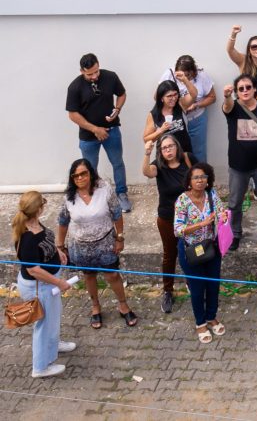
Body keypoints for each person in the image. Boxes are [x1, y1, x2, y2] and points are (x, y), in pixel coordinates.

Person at [57, 158, 137, 330]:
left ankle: (123, 305)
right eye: (75, 176)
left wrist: (120, 238)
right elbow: (63, 222)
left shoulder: (104, 189)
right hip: (81, 246)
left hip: (106, 242)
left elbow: (117, 214)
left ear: (90, 173)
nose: (80, 178)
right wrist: (60, 245)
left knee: (113, 275)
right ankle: (95, 307)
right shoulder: (69, 197)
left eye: (83, 173)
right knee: (89, 276)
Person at [13, 190, 76, 378]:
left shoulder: (34, 224)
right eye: (43, 204)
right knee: (42, 324)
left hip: (48, 285)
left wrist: (58, 251)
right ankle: (40, 367)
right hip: (40, 288)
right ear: (38, 209)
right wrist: (59, 282)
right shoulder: (27, 238)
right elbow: (34, 270)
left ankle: (54, 343)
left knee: (52, 317)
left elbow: (46, 240)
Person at [66, 53, 131, 212]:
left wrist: (117, 109)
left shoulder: (110, 76)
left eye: (96, 71)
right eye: (90, 74)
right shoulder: (74, 87)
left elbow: (122, 94)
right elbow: (72, 114)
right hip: (89, 136)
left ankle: (121, 193)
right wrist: (95, 129)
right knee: (89, 169)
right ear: (82, 71)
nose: (94, 76)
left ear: (98, 65)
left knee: (117, 163)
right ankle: (93, 197)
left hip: (112, 131)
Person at [173, 162, 229, 344]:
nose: (200, 180)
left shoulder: (211, 195)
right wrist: (202, 224)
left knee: (213, 284)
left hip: (211, 248)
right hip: (191, 250)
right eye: (196, 177)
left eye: (203, 177)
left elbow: (221, 211)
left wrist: (224, 216)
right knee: (197, 289)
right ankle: (200, 323)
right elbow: (178, 230)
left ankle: (211, 316)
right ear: (189, 181)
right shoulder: (182, 200)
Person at [222, 74, 257, 250]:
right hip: (238, 166)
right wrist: (226, 96)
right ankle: (235, 234)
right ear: (237, 92)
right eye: (241, 88)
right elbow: (227, 106)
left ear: (254, 89)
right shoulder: (234, 106)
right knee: (235, 202)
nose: (245, 91)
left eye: (248, 87)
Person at [141, 135, 192, 314]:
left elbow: (201, 179)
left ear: (177, 147)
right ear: (160, 151)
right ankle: (168, 291)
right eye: (164, 148)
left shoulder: (188, 159)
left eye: (171, 146)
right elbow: (147, 172)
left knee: (190, 251)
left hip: (189, 218)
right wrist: (147, 154)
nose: (168, 150)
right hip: (167, 218)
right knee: (170, 254)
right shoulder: (159, 166)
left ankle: (191, 282)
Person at [162, 55, 215, 164]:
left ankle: (200, 178)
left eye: (188, 75)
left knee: (198, 152)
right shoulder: (169, 74)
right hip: (176, 121)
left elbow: (212, 97)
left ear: (194, 71)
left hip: (197, 119)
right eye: (181, 75)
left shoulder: (202, 76)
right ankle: (181, 179)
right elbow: (157, 97)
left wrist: (197, 105)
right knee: (175, 152)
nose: (183, 78)